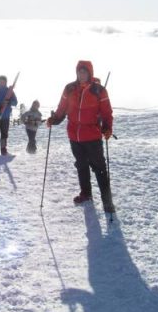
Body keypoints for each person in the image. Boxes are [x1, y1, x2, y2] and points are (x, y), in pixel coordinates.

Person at [46, 60, 115, 214]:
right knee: (81, 165)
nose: (81, 74)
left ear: (90, 73)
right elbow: (62, 108)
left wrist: (107, 128)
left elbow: (106, 112)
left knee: (100, 169)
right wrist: (55, 119)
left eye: (84, 72)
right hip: (74, 136)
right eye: (79, 72)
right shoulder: (69, 88)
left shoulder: (99, 90)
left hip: (92, 136)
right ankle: (86, 194)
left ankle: (107, 202)